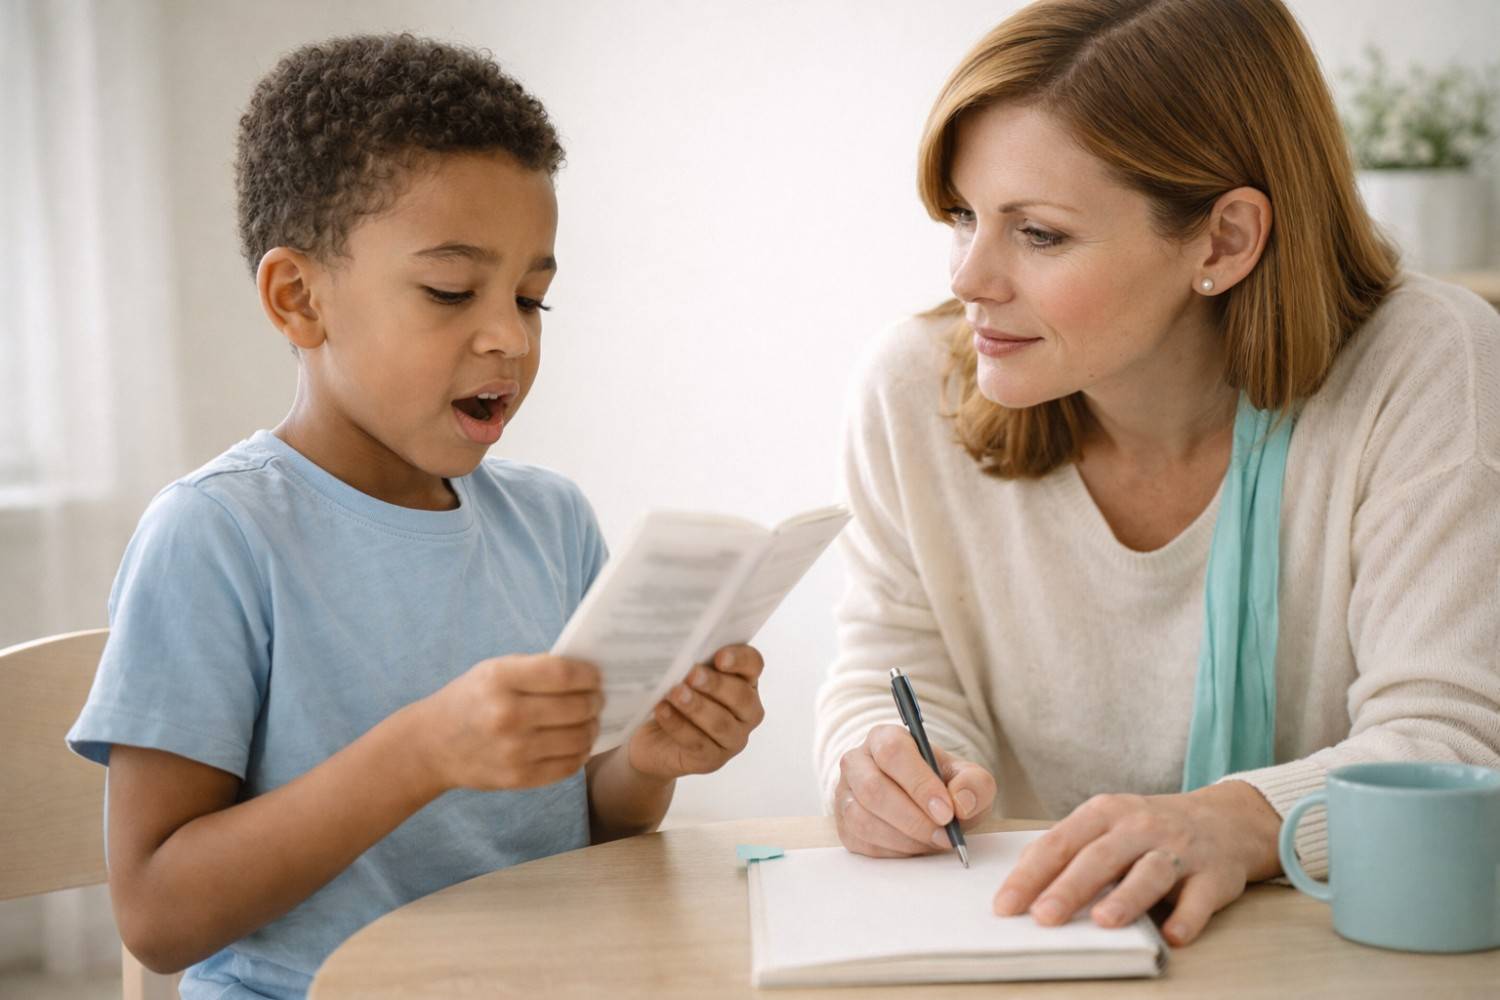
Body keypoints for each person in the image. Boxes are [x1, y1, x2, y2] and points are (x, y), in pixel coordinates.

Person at [66, 34, 766, 999]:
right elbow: (158, 918)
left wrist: (648, 761)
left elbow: (594, 828)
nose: (507, 337)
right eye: (450, 291)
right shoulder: (217, 538)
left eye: (532, 299)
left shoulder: (552, 523)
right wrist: (422, 751)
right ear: (298, 297)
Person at [814, 0, 1500, 949]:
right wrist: (878, 766)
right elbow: (886, 664)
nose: (970, 278)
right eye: (965, 216)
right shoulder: (909, 386)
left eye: (1039, 233)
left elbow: (1457, 739)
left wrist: (1233, 820)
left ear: (1223, 241)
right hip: (1035, 943)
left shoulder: (1429, 365)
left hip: (1335, 955)